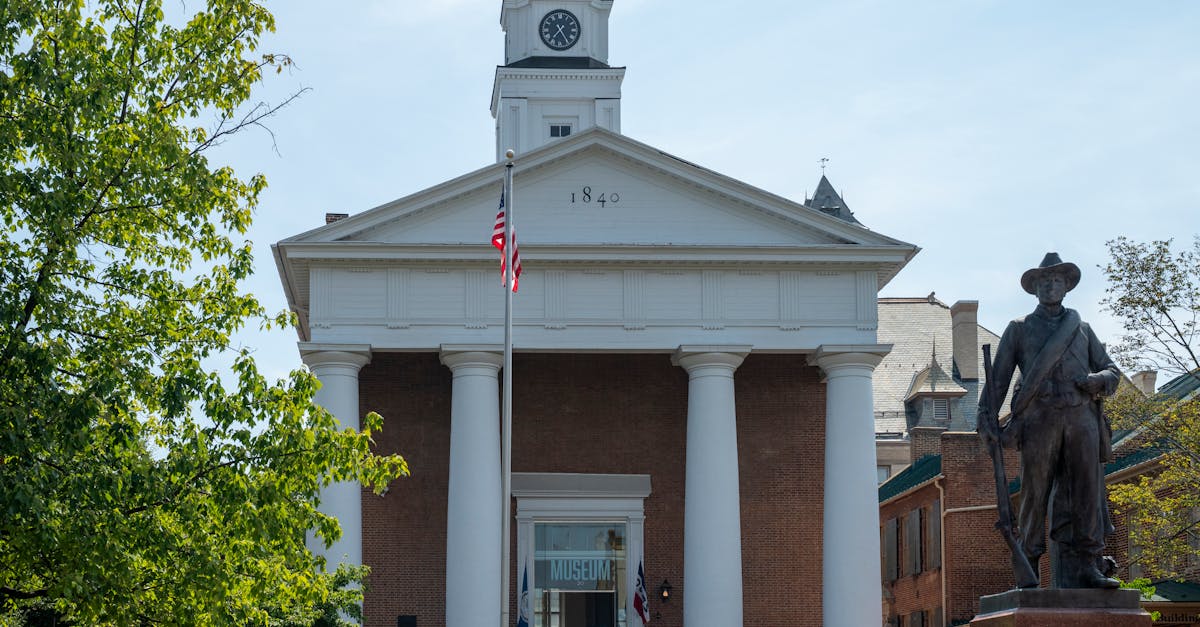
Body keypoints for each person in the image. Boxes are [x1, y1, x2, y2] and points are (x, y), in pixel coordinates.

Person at [978, 252, 1121, 589]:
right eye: (1044, 281)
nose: (1050, 286)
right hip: (1039, 419)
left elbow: (1112, 369)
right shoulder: (1019, 329)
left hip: (1081, 417)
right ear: (1035, 289)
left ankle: (1089, 565)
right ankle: (1027, 567)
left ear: (1067, 287)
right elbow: (998, 381)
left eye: (1056, 281)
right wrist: (985, 422)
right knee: (1034, 493)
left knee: (1086, 491)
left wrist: (1098, 380)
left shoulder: (1082, 329)